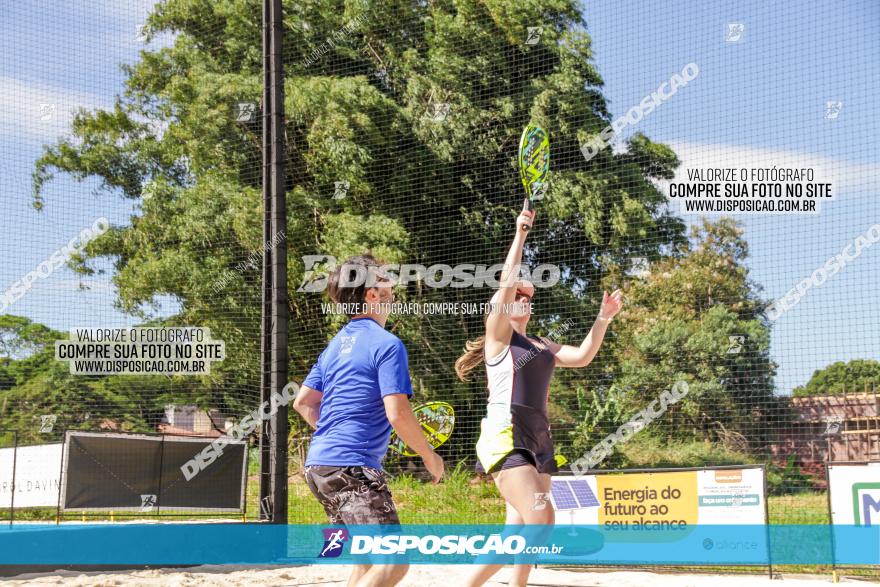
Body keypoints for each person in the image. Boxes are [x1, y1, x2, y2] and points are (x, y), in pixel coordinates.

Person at [455, 202, 623, 587]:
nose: (525, 297)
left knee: (517, 531)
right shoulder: (499, 338)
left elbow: (581, 357)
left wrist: (603, 318)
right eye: (520, 293)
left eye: (530, 295)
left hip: (538, 436)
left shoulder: (541, 344)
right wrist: (520, 233)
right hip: (505, 433)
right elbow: (506, 280)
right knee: (542, 519)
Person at [294, 253, 445, 587]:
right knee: (394, 563)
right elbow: (398, 413)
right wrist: (428, 455)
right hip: (351, 467)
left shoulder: (334, 346)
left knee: (365, 561)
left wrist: (337, 435)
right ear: (371, 295)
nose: (392, 281)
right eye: (384, 277)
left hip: (318, 466)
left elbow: (303, 403)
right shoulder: (386, 344)